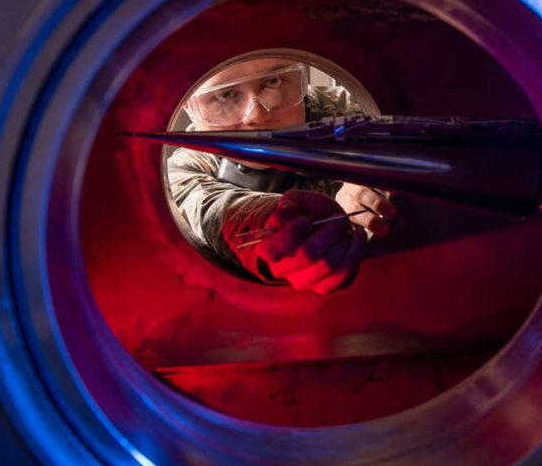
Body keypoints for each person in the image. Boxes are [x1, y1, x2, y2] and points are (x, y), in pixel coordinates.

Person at [166, 58, 396, 295]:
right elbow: (213, 208)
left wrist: (374, 170)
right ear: (189, 105)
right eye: (226, 95)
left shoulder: (357, 110)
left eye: (273, 82)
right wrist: (280, 226)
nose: (257, 116)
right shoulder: (186, 171)